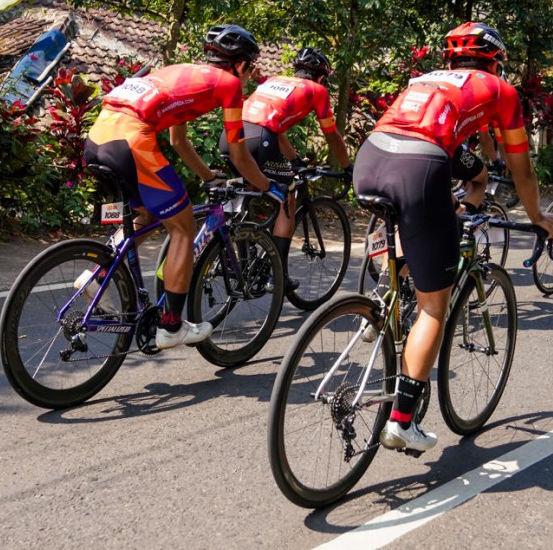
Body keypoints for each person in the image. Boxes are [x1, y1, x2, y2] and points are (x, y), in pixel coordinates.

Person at [354, 22, 553, 453]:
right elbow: (521, 168)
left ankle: (386, 294)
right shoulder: (499, 89)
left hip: (371, 156)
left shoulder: (427, 80)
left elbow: (445, 148)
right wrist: (538, 216)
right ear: (495, 62)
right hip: (421, 163)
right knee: (435, 307)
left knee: (419, 220)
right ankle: (402, 421)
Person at [83, 23, 282, 350]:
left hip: (97, 139)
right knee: (184, 227)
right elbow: (239, 154)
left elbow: (178, 140)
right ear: (241, 64)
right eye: (252, 67)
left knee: (147, 215)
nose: (250, 75)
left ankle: (96, 275)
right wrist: (267, 186)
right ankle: (171, 327)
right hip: (132, 142)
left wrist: (208, 177)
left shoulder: (182, 72)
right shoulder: (229, 84)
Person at [237, 46, 353, 282]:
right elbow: (331, 136)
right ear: (321, 77)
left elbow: (274, 127)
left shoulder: (274, 81)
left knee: (249, 188)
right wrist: (348, 167)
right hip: (261, 139)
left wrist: (295, 160)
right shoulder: (317, 90)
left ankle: (242, 256)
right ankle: (277, 275)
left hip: (232, 135)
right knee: (287, 197)